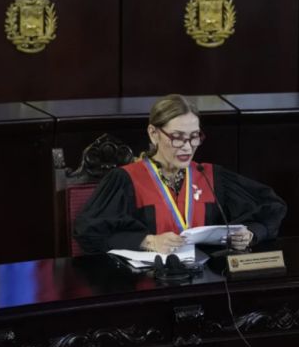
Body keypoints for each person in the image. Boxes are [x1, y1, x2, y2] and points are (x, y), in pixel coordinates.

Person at [74, 94, 287, 255]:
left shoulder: (211, 177)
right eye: (177, 137)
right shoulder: (126, 180)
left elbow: (271, 208)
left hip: (207, 281)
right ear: (153, 133)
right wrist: (148, 241)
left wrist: (251, 234)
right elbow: (88, 232)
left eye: (194, 137)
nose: (187, 147)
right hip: (146, 284)